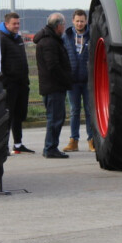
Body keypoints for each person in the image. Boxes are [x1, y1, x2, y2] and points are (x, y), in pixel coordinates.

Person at [34, 12, 73, 159]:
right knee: (55, 118)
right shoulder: (50, 42)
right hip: (54, 87)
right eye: (63, 24)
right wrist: (66, 79)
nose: (64, 27)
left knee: (56, 117)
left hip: (52, 86)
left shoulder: (50, 40)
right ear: (58, 26)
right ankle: (50, 147)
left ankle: (51, 146)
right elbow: (53, 66)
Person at [0, 12, 35, 154]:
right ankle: (3, 146)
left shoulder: (18, 38)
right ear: (6, 24)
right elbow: (0, 62)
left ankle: (18, 144)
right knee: (7, 115)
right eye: (14, 24)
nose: (17, 26)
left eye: (18, 23)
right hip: (9, 84)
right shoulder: (2, 39)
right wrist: (5, 81)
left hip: (21, 83)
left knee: (19, 115)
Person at [61, 9, 94, 152]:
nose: (80, 23)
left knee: (89, 111)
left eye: (82, 21)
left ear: (86, 21)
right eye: (77, 21)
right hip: (72, 81)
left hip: (88, 81)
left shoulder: (92, 36)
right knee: (74, 111)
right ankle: (73, 141)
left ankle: (92, 140)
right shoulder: (66, 37)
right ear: (73, 21)